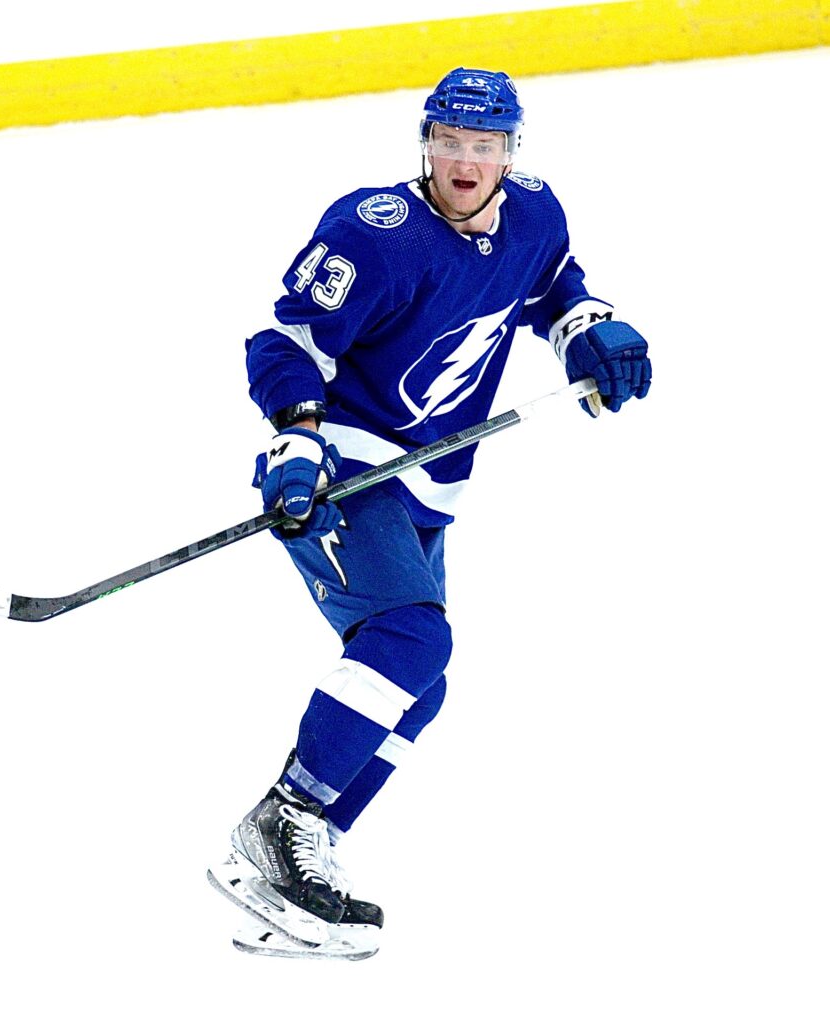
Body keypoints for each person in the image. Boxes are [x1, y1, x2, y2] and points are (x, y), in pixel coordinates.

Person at [207, 67, 651, 959]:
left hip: (428, 482)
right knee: (411, 642)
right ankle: (282, 822)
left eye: (484, 145)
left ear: (510, 152)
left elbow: (550, 288)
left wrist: (586, 327)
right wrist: (297, 439)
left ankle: (300, 864)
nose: (465, 161)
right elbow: (287, 341)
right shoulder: (373, 234)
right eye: (449, 141)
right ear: (426, 144)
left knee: (420, 681)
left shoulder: (534, 216)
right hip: (344, 470)